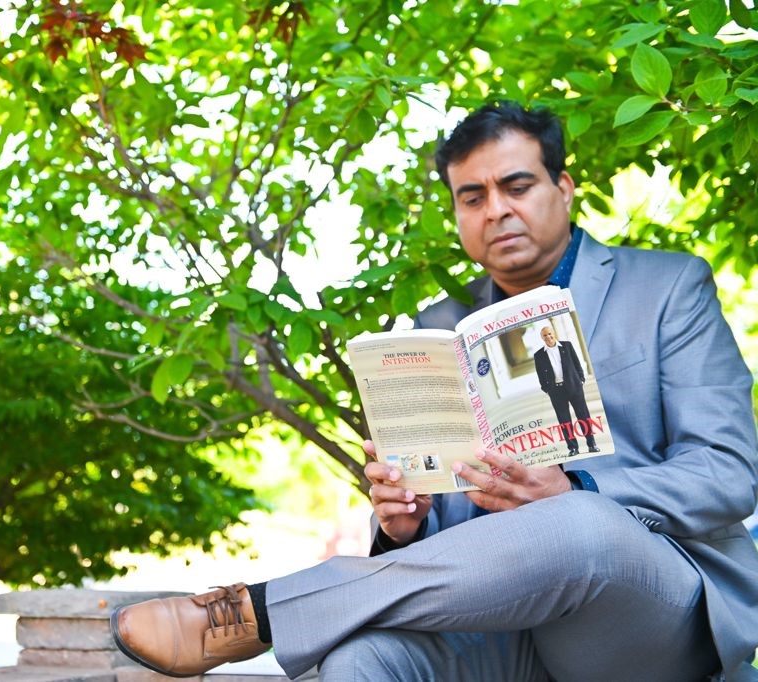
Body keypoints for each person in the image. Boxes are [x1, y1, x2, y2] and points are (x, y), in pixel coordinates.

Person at [110, 102, 758, 681]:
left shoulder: (669, 288)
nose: (495, 209)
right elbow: (445, 507)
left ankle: (262, 611)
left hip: (650, 610)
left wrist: (579, 489)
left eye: (517, 185)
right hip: (507, 627)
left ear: (562, 188)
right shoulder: (437, 328)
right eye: (471, 196)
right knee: (358, 659)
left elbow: (729, 473)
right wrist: (402, 526)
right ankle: (296, 611)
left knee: (578, 521)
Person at [533, 325, 599, 455]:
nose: (548, 337)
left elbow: (577, 363)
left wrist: (581, 379)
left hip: (574, 387)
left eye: (550, 333)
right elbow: (540, 374)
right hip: (556, 391)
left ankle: (592, 444)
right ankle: (573, 448)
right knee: (564, 421)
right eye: (545, 335)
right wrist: (546, 389)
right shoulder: (539, 355)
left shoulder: (567, 346)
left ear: (554, 333)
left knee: (584, 416)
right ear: (542, 338)